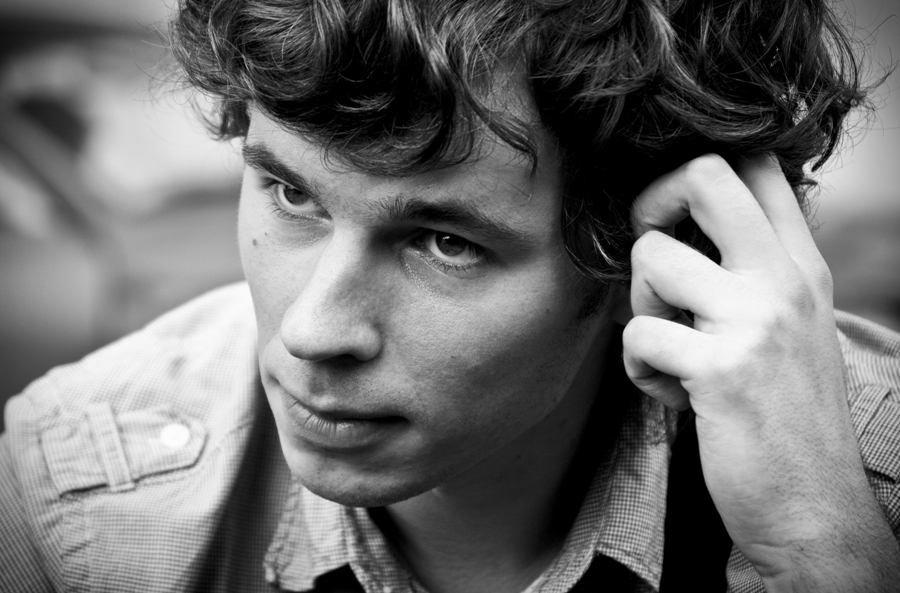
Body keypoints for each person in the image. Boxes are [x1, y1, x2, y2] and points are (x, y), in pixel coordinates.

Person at [2, 0, 899, 591]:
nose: (312, 330)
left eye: (445, 243)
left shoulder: (865, 484)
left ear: (655, 258)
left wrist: (813, 545)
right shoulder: (77, 502)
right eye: (292, 194)